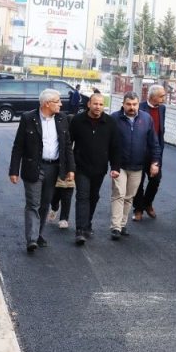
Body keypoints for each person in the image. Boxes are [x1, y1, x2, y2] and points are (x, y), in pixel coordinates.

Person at [9, 89, 75, 253]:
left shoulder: (62, 119)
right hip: (33, 167)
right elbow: (18, 146)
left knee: (45, 203)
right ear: (47, 103)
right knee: (33, 203)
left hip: (54, 167)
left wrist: (70, 169)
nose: (61, 104)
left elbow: (67, 146)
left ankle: (38, 234)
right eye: (57, 101)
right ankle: (31, 239)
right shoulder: (28, 118)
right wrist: (14, 170)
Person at [69, 92, 121, 245]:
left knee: (93, 197)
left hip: (100, 168)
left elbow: (115, 147)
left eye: (100, 104)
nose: (98, 107)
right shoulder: (78, 120)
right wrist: (69, 165)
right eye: (95, 104)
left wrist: (115, 167)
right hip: (81, 166)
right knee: (82, 196)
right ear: (89, 104)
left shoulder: (110, 123)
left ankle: (87, 223)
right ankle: (80, 230)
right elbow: (68, 143)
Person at [110, 91, 160, 240]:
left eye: (134, 104)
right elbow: (109, 142)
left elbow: (154, 143)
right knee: (118, 195)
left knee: (129, 196)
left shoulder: (146, 118)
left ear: (139, 104)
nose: (132, 107)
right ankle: (116, 227)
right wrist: (112, 164)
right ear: (123, 104)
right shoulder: (114, 118)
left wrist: (155, 162)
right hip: (120, 165)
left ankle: (123, 224)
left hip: (138, 165)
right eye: (128, 104)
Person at [132, 84, 166, 221]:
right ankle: (138, 209)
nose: (164, 98)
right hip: (139, 153)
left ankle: (147, 203)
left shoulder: (163, 109)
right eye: (161, 96)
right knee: (138, 183)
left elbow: (159, 130)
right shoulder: (138, 107)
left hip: (155, 152)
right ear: (152, 97)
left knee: (155, 180)